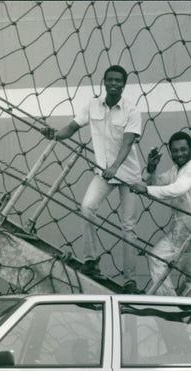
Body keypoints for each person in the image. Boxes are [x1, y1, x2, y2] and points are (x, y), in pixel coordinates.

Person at [41, 65, 142, 291]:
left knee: (128, 227)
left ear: (124, 86)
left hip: (127, 174)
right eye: (111, 80)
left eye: (119, 81)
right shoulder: (93, 105)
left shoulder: (132, 111)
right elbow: (72, 127)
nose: (114, 84)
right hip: (104, 172)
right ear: (104, 82)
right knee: (87, 208)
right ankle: (91, 260)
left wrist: (115, 167)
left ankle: (130, 280)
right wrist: (55, 135)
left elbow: (127, 143)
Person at [131, 131, 191, 296]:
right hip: (180, 230)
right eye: (175, 151)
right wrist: (151, 167)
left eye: (183, 149)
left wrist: (146, 189)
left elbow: (176, 190)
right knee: (156, 257)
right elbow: (157, 182)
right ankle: (171, 305)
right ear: (170, 152)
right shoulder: (175, 170)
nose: (179, 154)